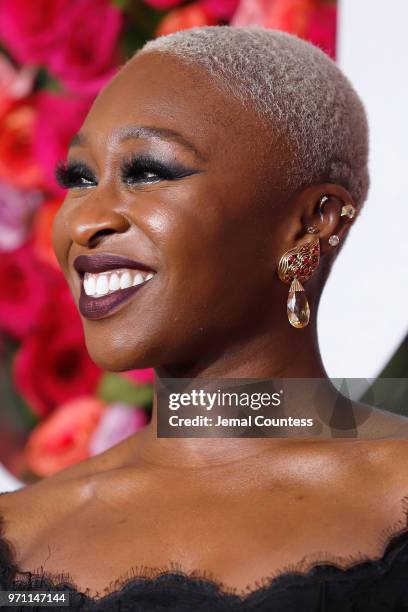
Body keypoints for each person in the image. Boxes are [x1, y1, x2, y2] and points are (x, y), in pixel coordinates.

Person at [1, 26, 408, 611]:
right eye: (79, 179)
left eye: (148, 172)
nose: (86, 221)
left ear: (313, 222)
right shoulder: (16, 536)